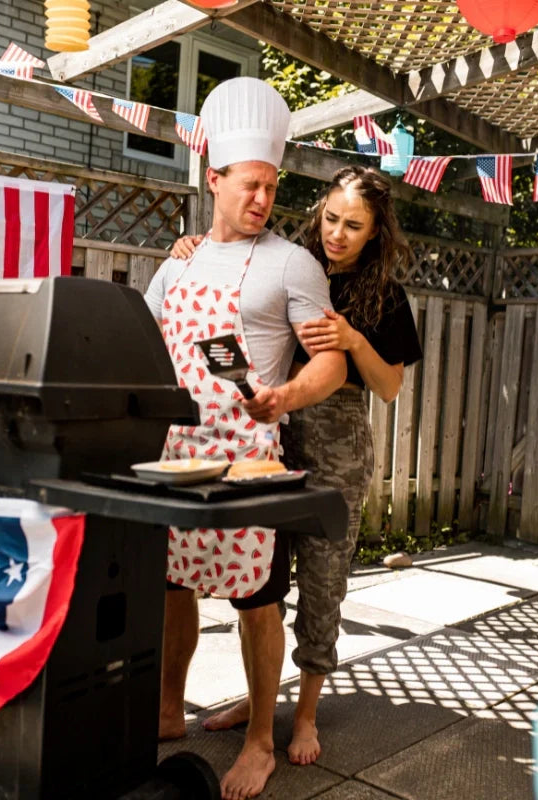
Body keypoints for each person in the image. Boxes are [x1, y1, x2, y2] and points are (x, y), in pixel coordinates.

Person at [170, 165, 423, 766]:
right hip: (273, 437)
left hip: (336, 445)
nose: (336, 233)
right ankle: (263, 702)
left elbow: (388, 388)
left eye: (353, 225)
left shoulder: (385, 293)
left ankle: (303, 715)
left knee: (322, 581)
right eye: (330, 218)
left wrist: (354, 340)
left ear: (374, 231)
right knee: (262, 582)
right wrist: (191, 247)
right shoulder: (286, 258)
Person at [143, 77, 347, 800]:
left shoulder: (293, 262)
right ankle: (169, 709)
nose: (262, 199)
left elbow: (331, 360)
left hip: (253, 456)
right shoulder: (179, 262)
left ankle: (260, 739)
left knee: (256, 599)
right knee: (172, 587)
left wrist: (284, 396)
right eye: (250, 185)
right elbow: (143, 343)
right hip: (177, 455)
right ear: (214, 178)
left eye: (271, 186)